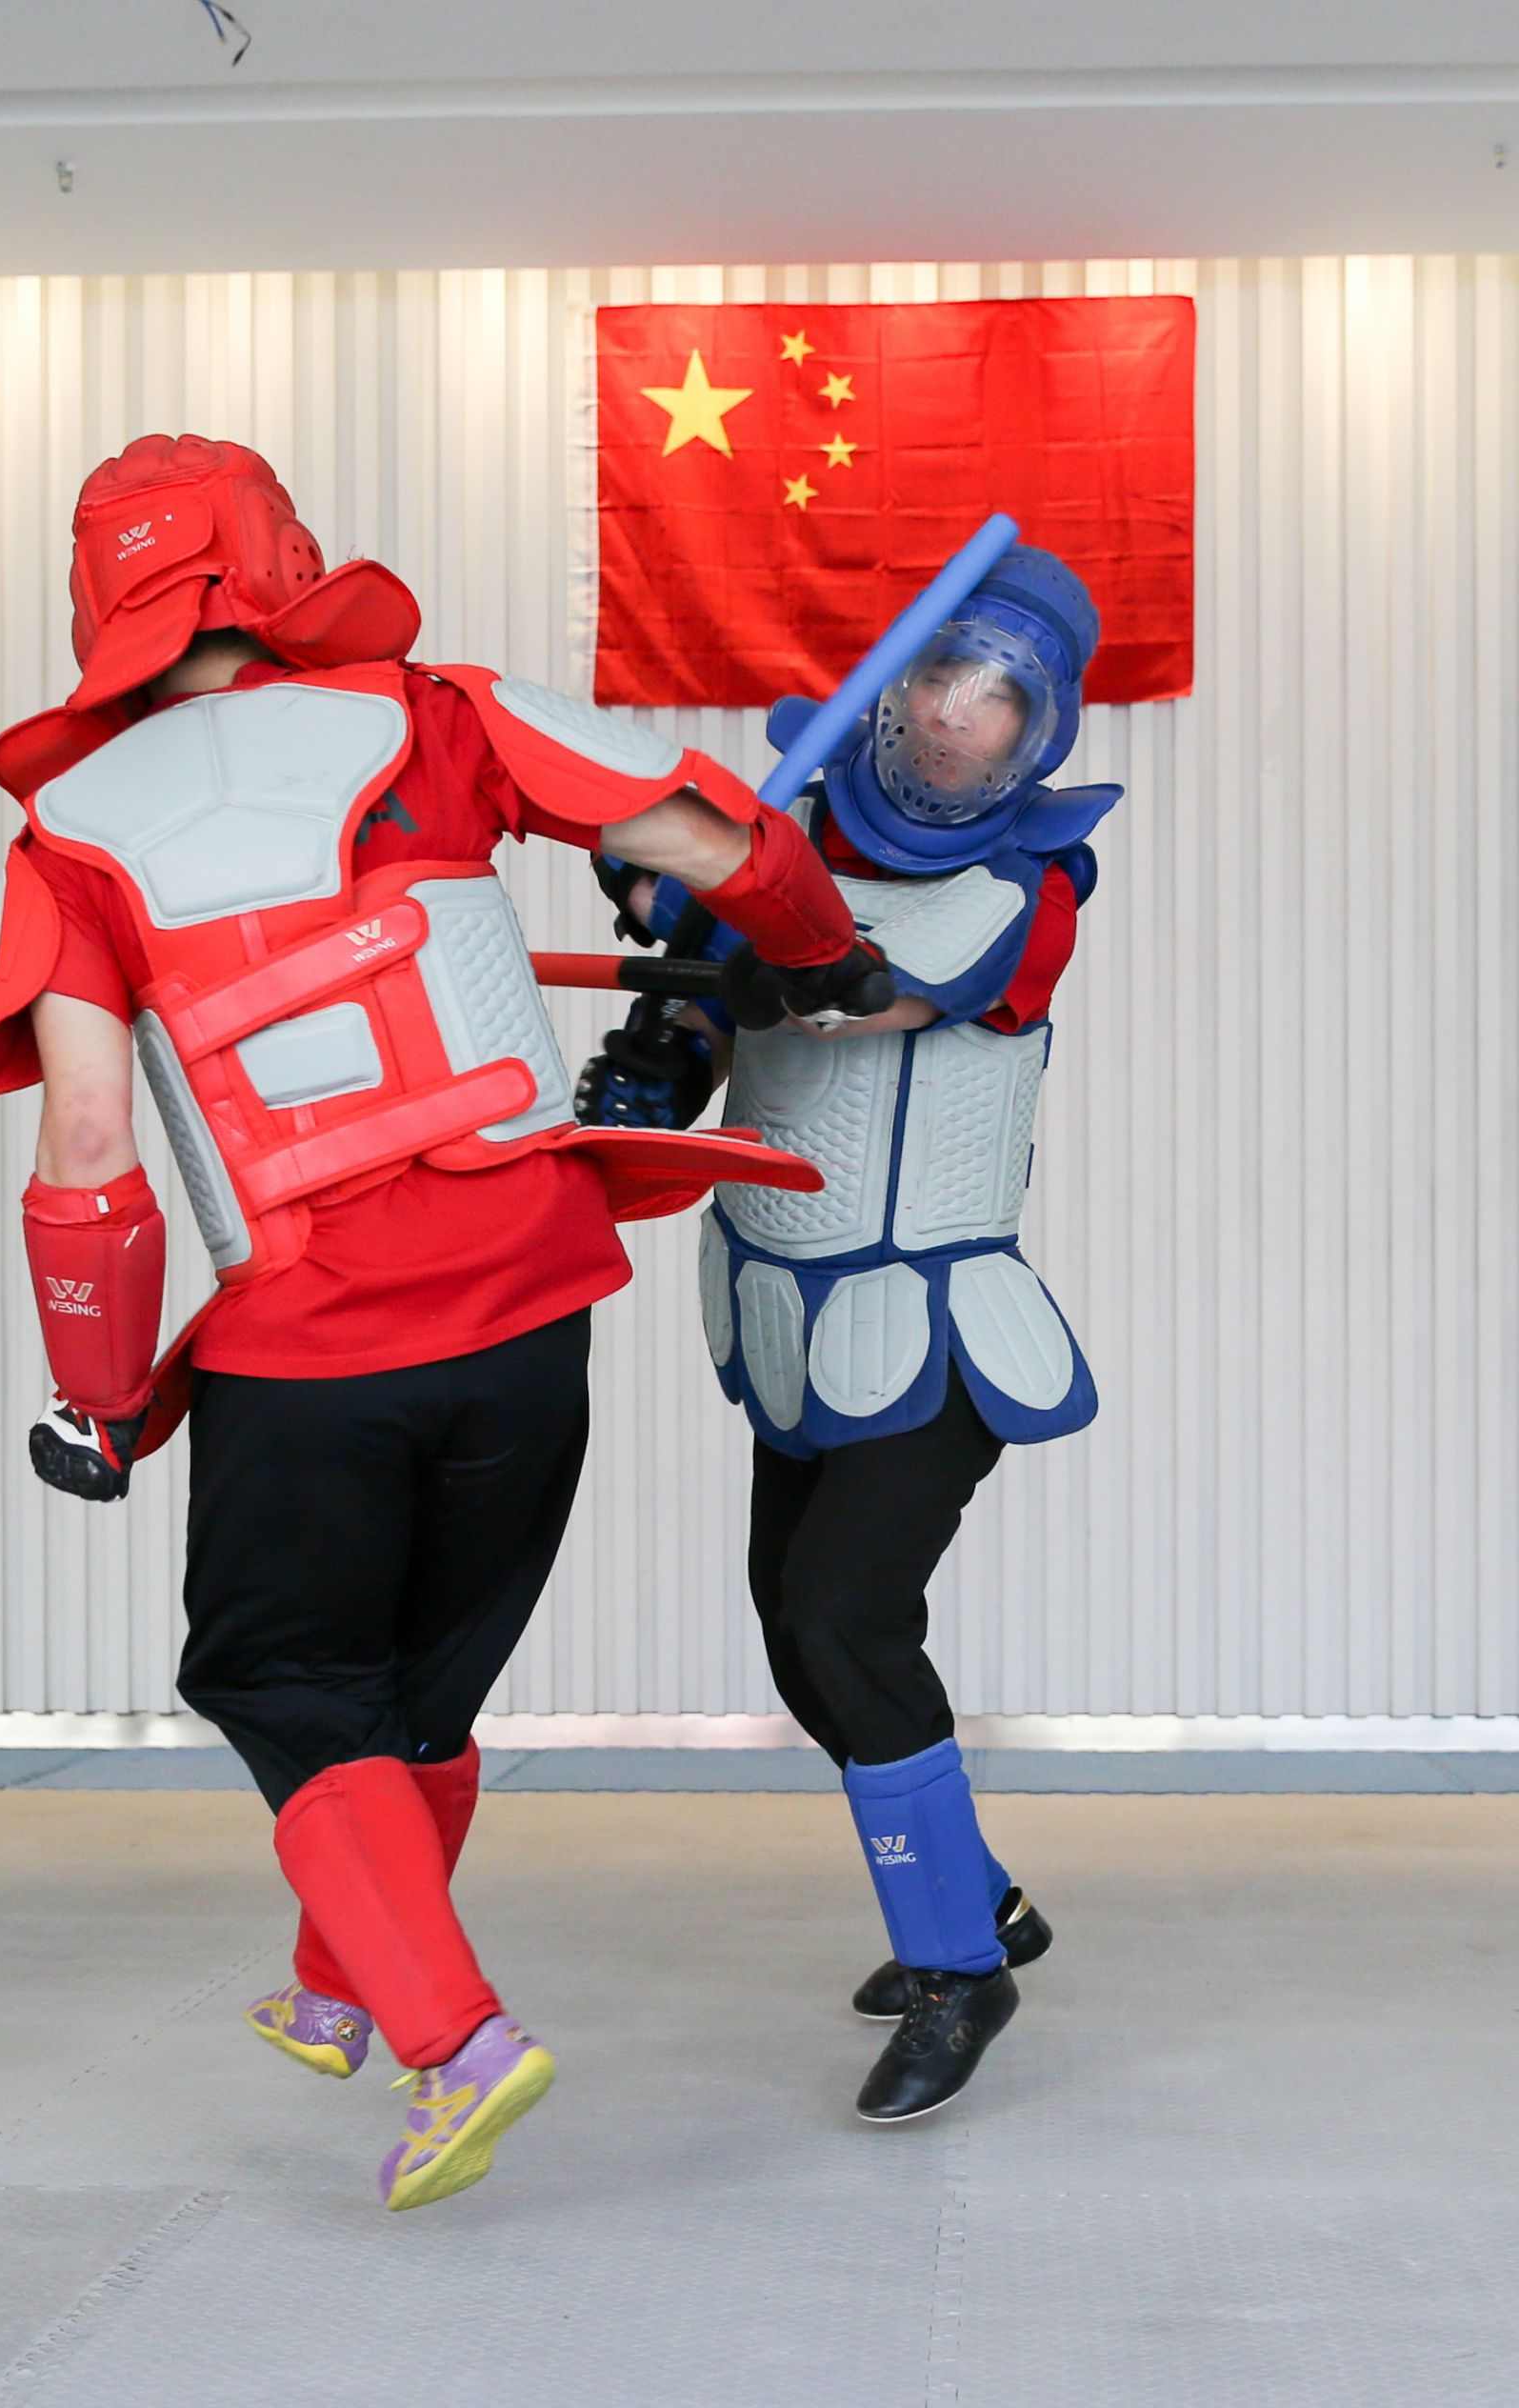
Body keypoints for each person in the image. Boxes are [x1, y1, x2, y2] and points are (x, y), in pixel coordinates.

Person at [0, 431, 888, 2210]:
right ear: (279, 560)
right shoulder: (438, 715)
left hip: (311, 1349)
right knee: (417, 1700)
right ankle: (335, 1986)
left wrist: (100, 1395)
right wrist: (820, 948)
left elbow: (87, 1153)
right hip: (528, 1309)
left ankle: (454, 2041)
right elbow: (712, 838)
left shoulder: (67, 839)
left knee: (282, 1681)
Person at [577, 546, 1122, 2123]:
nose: (952, 724)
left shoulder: (1029, 891)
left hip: (934, 1329)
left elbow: (855, 991)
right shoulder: (779, 843)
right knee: (796, 1631)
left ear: (1033, 736)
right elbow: (717, 1014)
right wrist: (662, 1042)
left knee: (844, 1621)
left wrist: (698, 895)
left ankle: (960, 1969)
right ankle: (981, 1899)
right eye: (938, 687)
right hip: (790, 1315)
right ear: (893, 693)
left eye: (992, 708)